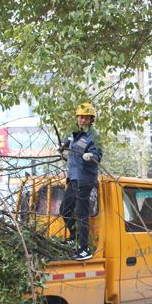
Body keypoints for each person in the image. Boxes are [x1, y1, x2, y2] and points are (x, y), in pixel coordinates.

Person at [58, 102, 103, 261]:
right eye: (80, 117)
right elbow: (65, 146)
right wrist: (62, 147)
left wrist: (91, 157)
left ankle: (84, 249)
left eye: (86, 117)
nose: (82, 120)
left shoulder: (94, 137)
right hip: (73, 178)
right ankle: (74, 237)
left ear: (91, 120)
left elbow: (98, 156)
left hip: (85, 178)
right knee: (64, 209)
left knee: (81, 213)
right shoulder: (74, 134)